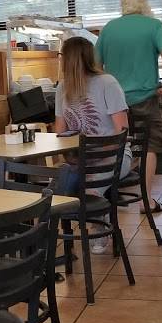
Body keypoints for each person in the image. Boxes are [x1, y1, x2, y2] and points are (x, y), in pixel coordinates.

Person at [96, 0, 162, 215]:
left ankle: (107, 193)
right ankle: (146, 200)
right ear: (144, 4)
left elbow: (95, 65)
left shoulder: (108, 29)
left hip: (114, 102)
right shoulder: (153, 26)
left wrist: (104, 91)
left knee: (114, 145)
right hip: (145, 98)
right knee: (149, 147)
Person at [54, 36, 130, 253]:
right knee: (56, 188)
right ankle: (50, 245)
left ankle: (99, 228)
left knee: (88, 187)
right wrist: (73, 157)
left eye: (61, 56)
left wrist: (93, 155)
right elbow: (60, 132)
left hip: (114, 156)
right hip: (81, 158)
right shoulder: (62, 88)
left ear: (68, 59)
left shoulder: (107, 83)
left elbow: (122, 131)